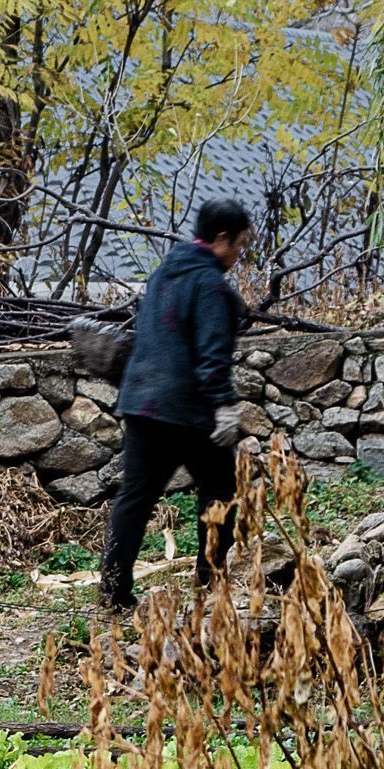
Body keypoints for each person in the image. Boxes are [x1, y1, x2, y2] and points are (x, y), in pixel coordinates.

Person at [100, 197, 251, 613]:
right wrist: (224, 407)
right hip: (187, 410)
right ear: (221, 239)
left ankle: (113, 592)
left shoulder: (164, 273)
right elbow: (212, 354)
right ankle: (211, 579)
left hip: (140, 401)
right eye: (240, 244)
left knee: (135, 496)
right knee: (220, 492)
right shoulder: (211, 287)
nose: (240, 254)